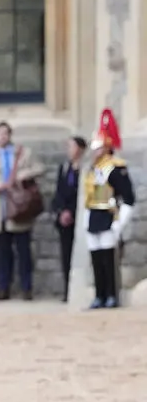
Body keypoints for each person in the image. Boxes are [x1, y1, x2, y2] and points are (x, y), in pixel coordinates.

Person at [0, 121, 44, 301]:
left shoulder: (23, 153)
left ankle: (26, 287)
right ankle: (3, 287)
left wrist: (24, 175)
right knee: (3, 252)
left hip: (19, 206)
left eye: (5, 133)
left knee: (23, 250)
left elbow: (39, 168)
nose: (2, 137)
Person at [83, 109, 135, 308]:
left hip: (109, 215)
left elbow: (128, 198)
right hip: (94, 215)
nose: (95, 151)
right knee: (96, 258)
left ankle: (111, 294)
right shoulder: (93, 169)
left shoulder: (116, 168)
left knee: (108, 259)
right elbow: (89, 197)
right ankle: (100, 294)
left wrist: (120, 223)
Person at [53, 136, 85, 302]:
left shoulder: (84, 169)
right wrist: (61, 211)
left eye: (72, 146)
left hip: (78, 216)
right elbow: (59, 191)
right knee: (66, 254)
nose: (69, 150)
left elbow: (80, 193)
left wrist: (72, 212)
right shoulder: (64, 168)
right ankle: (67, 289)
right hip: (64, 217)